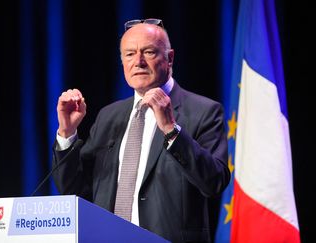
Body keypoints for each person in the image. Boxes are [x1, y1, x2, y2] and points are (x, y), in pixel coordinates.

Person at [52, 18, 230, 243]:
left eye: (148, 52)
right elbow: (75, 191)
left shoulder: (203, 111)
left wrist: (170, 129)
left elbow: (214, 182)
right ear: (122, 62)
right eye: (129, 54)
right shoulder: (109, 116)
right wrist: (67, 134)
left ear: (170, 58)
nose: (138, 62)